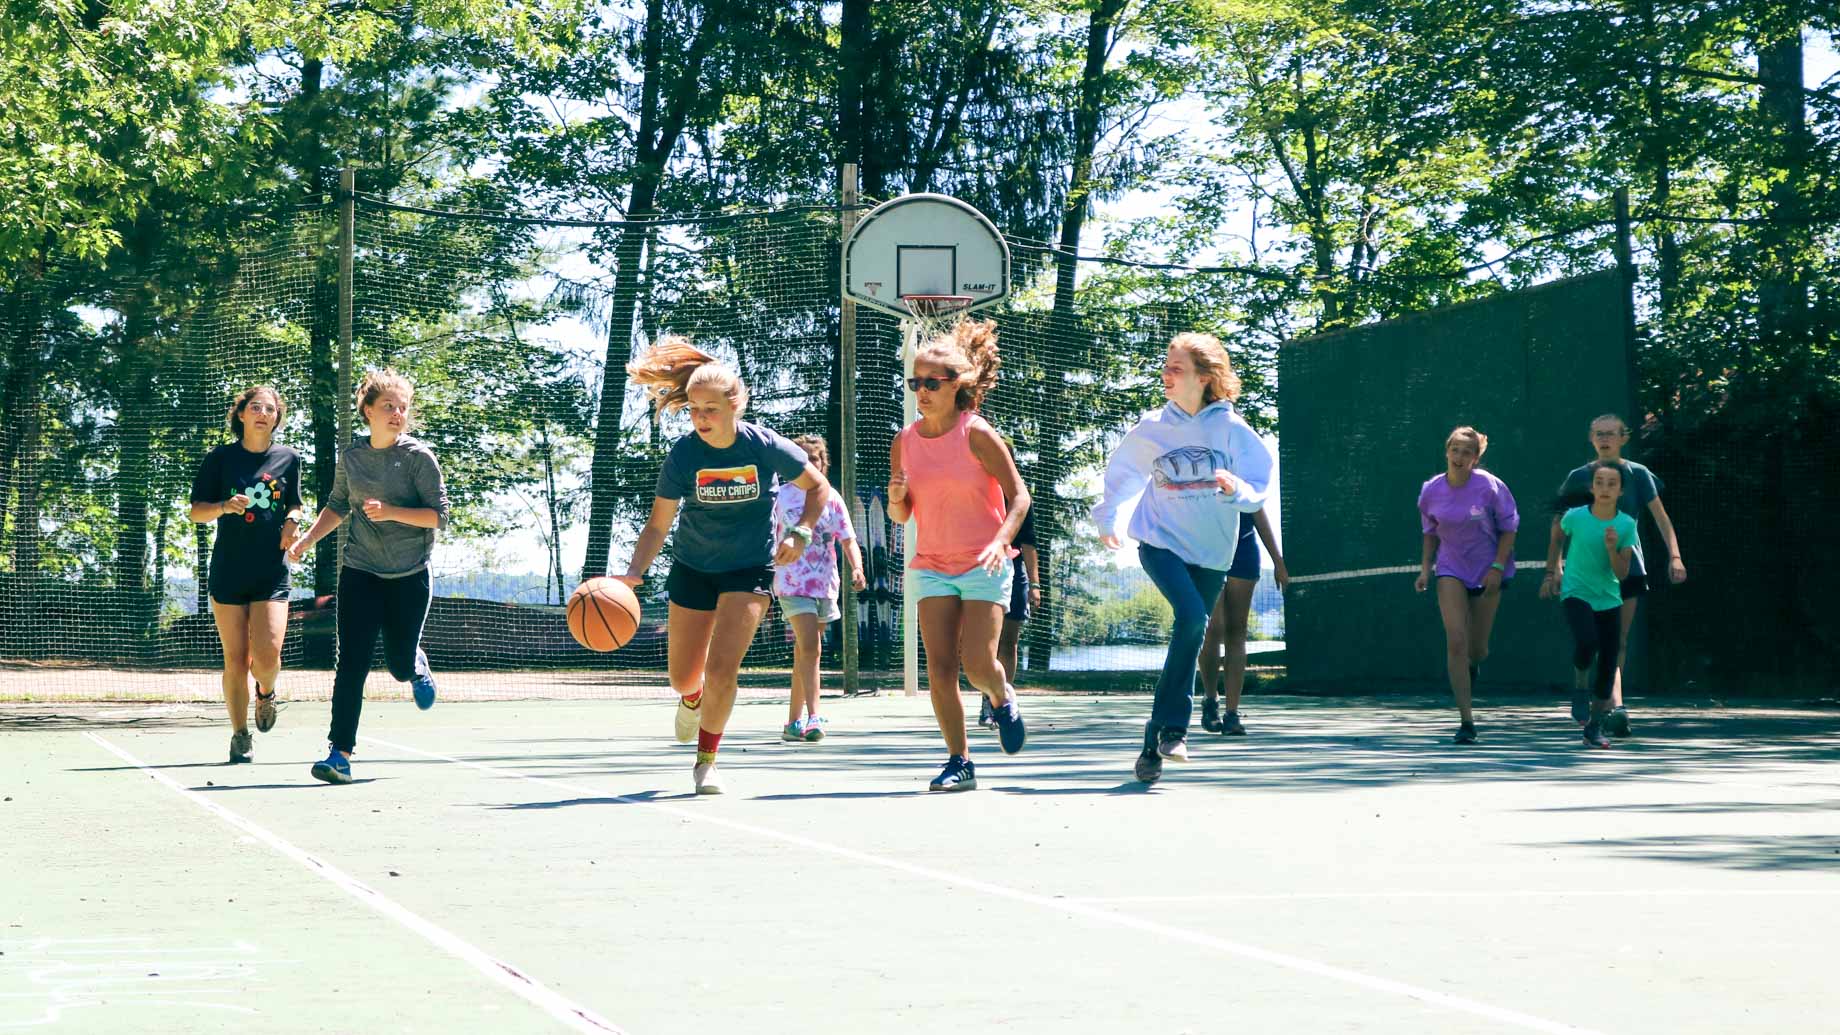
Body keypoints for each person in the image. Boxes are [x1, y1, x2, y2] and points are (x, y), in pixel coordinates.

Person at [617, 337, 832, 794]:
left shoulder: (765, 446)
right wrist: (634, 573)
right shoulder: (684, 455)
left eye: (710, 409)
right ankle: (691, 700)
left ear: (736, 404)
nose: (700, 419)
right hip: (693, 566)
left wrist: (802, 531)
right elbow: (658, 526)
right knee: (683, 677)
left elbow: (819, 489)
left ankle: (706, 761)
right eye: (694, 409)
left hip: (748, 570)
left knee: (722, 671)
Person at [1094, 332, 1273, 784]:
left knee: (1189, 635)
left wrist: (1239, 490)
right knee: (1193, 618)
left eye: (1176, 368)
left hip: (1213, 552)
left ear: (1205, 377)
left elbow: (1258, 480)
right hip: (1159, 542)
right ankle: (1176, 728)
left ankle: (1152, 743)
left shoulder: (1231, 429)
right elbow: (1123, 473)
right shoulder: (1154, 426)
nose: (1165, 375)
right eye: (1166, 366)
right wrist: (1108, 517)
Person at [887, 318, 1030, 792]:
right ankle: (959, 760)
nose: (922, 391)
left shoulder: (977, 433)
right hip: (931, 565)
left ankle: (1000, 693)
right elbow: (902, 516)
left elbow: (1019, 496)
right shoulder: (903, 442)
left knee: (976, 664)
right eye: (916, 382)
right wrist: (895, 498)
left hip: (984, 563)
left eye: (932, 383)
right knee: (941, 668)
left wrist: (1000, 540)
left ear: (957, 386)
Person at [287, 369, 450, 785]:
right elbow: (338, 504)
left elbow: (439, 517)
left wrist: (393, 511)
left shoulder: (418, 458)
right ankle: (339, 753)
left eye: (402, 407)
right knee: (352, 662)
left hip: (410, 574)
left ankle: (413, 663)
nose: (397, 414)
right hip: (360, 570)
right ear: (368, 411)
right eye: (388, 407)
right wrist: (307, 539)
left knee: (396, 664)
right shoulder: (352, 457)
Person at [1543, 414, 1687, 736]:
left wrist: (1674, 556)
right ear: (1591, 439)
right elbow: (1559, 526)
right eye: (1599, 434)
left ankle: (1615, 708)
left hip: (1625, 568)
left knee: (1615, 640)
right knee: (1589, 641)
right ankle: (1598, 699)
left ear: (1624, 437)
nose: (1605, 439)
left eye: (1611, 433)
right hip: (1584, 574)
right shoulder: (1578, 477)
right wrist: (1556, 567)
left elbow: (1661, 519)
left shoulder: (1639, 475)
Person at [188, 386, 303, 763]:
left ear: (276, 418)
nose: (262, 413)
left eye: (269, 408)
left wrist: (291, 521)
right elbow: (196, 512)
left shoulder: (289, 459)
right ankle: (240, 735)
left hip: (271, 572)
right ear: (241, 415)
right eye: (255, 406)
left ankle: (266, 693)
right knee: (235, 661)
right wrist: (223, 506)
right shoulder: (220, 459)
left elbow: (296, 505)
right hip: (229, 572)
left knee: (266, 658)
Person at [1415, 426, 1519, 745]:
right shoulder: (1431, 490)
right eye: (1455, 449)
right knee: (1456, 642)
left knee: (1477, 649)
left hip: (1489, 570)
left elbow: (1509, 527)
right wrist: (1424, 570)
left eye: (1467, 452)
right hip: (1450, 569)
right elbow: (1430, 532)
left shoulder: (1490, 487)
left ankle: (1472, 665)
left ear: (1476, 458)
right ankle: (1466, 722)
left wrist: (1497, 567)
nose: (1460, 456)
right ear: (1447, 451)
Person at [773, 434, 866, 743]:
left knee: (805, 652)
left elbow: (848, 538)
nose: (810, 464)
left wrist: (857, 567)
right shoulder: (781, 497)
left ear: (823, 464)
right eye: (803, 458)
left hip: (824, 585)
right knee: (812, 647)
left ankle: (791, 723)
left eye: (815, 459)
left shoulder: (832, 498)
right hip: (790, 582)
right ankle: (814, 717)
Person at [1543, 461, 1637, 748]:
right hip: (1576, 592)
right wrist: (1552, 572)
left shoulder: (1625, 525)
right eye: (1600, 482)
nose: (1605, 488)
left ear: (1620, 491)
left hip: (1609, 597)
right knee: (1587, 641)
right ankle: (1580, 687)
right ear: (1592, 487)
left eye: (1612, 484)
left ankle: (1594, 727)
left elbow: (1622, 573)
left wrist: (1611, 549)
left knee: (1609, 662)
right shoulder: (1575, 517)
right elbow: (1557, 537)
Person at [1198, 506, 1288, 736]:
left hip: (1244, 550)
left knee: (1237, 632)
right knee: (1212, 629)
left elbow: (1258, 510)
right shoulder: (1200, 472)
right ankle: (1210, 699)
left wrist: (1278, 560)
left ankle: (1232, 714)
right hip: (1206, 551)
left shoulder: (1246, 475)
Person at [982, 438, 1040, 729]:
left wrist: (1035, 584)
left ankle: (1002, 701)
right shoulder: (976, 489)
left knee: (1009, 640)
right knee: (984, 643)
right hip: (981, 568)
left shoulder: (1019, 495)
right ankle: (988, 699)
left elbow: (1028, 543)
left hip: (1014, 570)